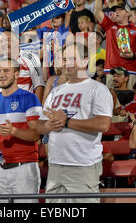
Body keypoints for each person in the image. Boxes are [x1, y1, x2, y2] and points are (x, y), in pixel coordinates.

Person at [36, 41, 113, 203]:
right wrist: (47, 126)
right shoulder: (55, 91)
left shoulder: (97, 89)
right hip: (55, 164)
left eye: (72, 59)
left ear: (85, 61)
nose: (67, 63)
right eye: (64, 59)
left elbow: (103, 124)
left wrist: (67, 122)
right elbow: (41, 125)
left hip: (82, 166)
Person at [0, 58, 42, 203]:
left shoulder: (30, 98)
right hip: (0, 169)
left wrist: (14, 131)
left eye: (6, 71)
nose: (1, 74)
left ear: (17, 74)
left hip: (25, 167)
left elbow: (36, 135)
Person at [95, 0, 136, 89]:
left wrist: (133, 54)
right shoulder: (110, 26)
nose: (116, 12)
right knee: (112, 103)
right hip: (112, 71)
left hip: (131, 71)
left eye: (120, 10)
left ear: (127, 13)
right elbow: (97, 12)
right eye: (115, 10)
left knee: (132, 101)